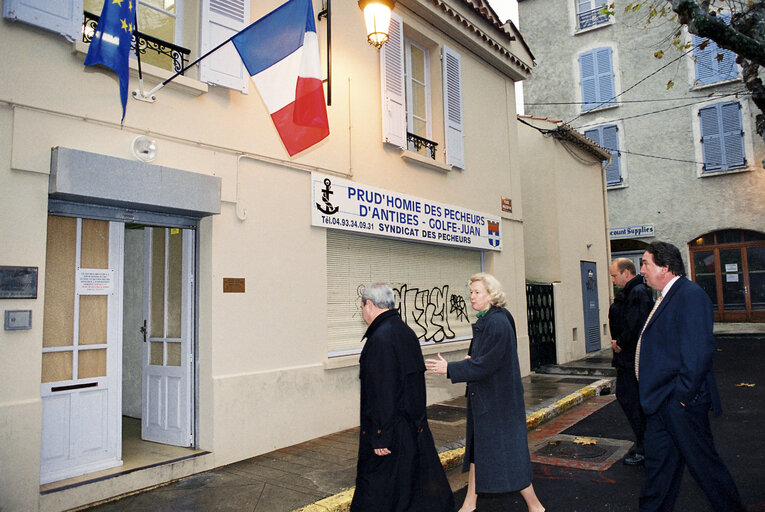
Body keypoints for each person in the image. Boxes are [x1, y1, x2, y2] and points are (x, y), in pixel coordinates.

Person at [636, 241, 746, 512]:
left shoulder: (690, 295)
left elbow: (698, 352)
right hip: (661, 403)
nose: (642, 270)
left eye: (646, 263)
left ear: (665, 267)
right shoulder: (665, 296)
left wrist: (682, 398)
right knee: (659, 470)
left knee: (706, 469)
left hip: (679, 403)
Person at [425, 273, 545, 512]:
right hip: (492, 400)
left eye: (477, 292)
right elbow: (489, 359)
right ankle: (470, 503)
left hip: (497, 403)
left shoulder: (496, 322)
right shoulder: (493, 319)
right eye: (471, 292)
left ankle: (535, 506)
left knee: (509, 456)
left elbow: (487, 364)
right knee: (480, 452)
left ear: (492, 295)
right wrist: (473, 360)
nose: (472, 297)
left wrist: (449, 368)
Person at [350, 283, 454, 512]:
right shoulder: (405, 332)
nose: (362, 312)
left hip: (391, 434)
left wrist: (380, 435)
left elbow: (383, 392)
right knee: (406, 493)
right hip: (410, 429)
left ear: (369, 304)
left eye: (362, 306)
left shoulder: (381, 339)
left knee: (378, 493)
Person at [608, 257, 654, 466]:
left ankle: (646, 447)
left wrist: (620, 343)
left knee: (633, 402)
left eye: (614, 276)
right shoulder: (632, 293)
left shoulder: (637, 293)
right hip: (627, 358)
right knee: (629, 400)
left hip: (631, 359)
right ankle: (644, 444)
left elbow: (635, 326)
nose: (613, 280)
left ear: (627, 273)